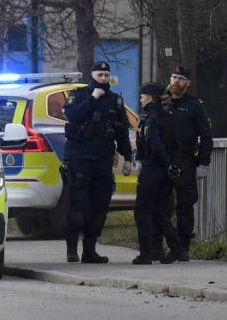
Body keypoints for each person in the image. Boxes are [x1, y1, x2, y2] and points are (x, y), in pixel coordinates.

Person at [62, 61, 133, 263]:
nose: (103, 79)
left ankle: (89, 251)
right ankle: (71, 250)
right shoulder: (80, 95)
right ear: (92, 75)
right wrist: (92, 99)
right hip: (80, 159)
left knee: (99, 208)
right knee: (78, 207)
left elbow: (122, 133)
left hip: (102, 161)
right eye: (100, 75)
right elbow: (73, 115)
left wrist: (127, 158)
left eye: (106, 75)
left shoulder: (115, 101)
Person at [166, 64, 213, 260]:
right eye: (174, 77)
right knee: (159, 204)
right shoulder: (161, 102)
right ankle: (156, 246)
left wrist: (203, 163)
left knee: (185, 204)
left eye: (180, 78)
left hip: (185, 160)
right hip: (163, 159)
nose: (176, 81)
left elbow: (206, 136)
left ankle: (182, 248)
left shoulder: (194, 105)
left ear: (188, 83)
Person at [132, 82, 182, 264]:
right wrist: (173, 166)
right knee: (158, 212)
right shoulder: (168, 117)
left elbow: (156, 145)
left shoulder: (151, 118)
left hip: (152, 170)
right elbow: (176, 145)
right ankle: (177, 248)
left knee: (142, 212)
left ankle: (145, 254)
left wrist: (166, 164)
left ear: (150, 98)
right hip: (165, 173)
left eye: (142, 96)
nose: (141, 99)